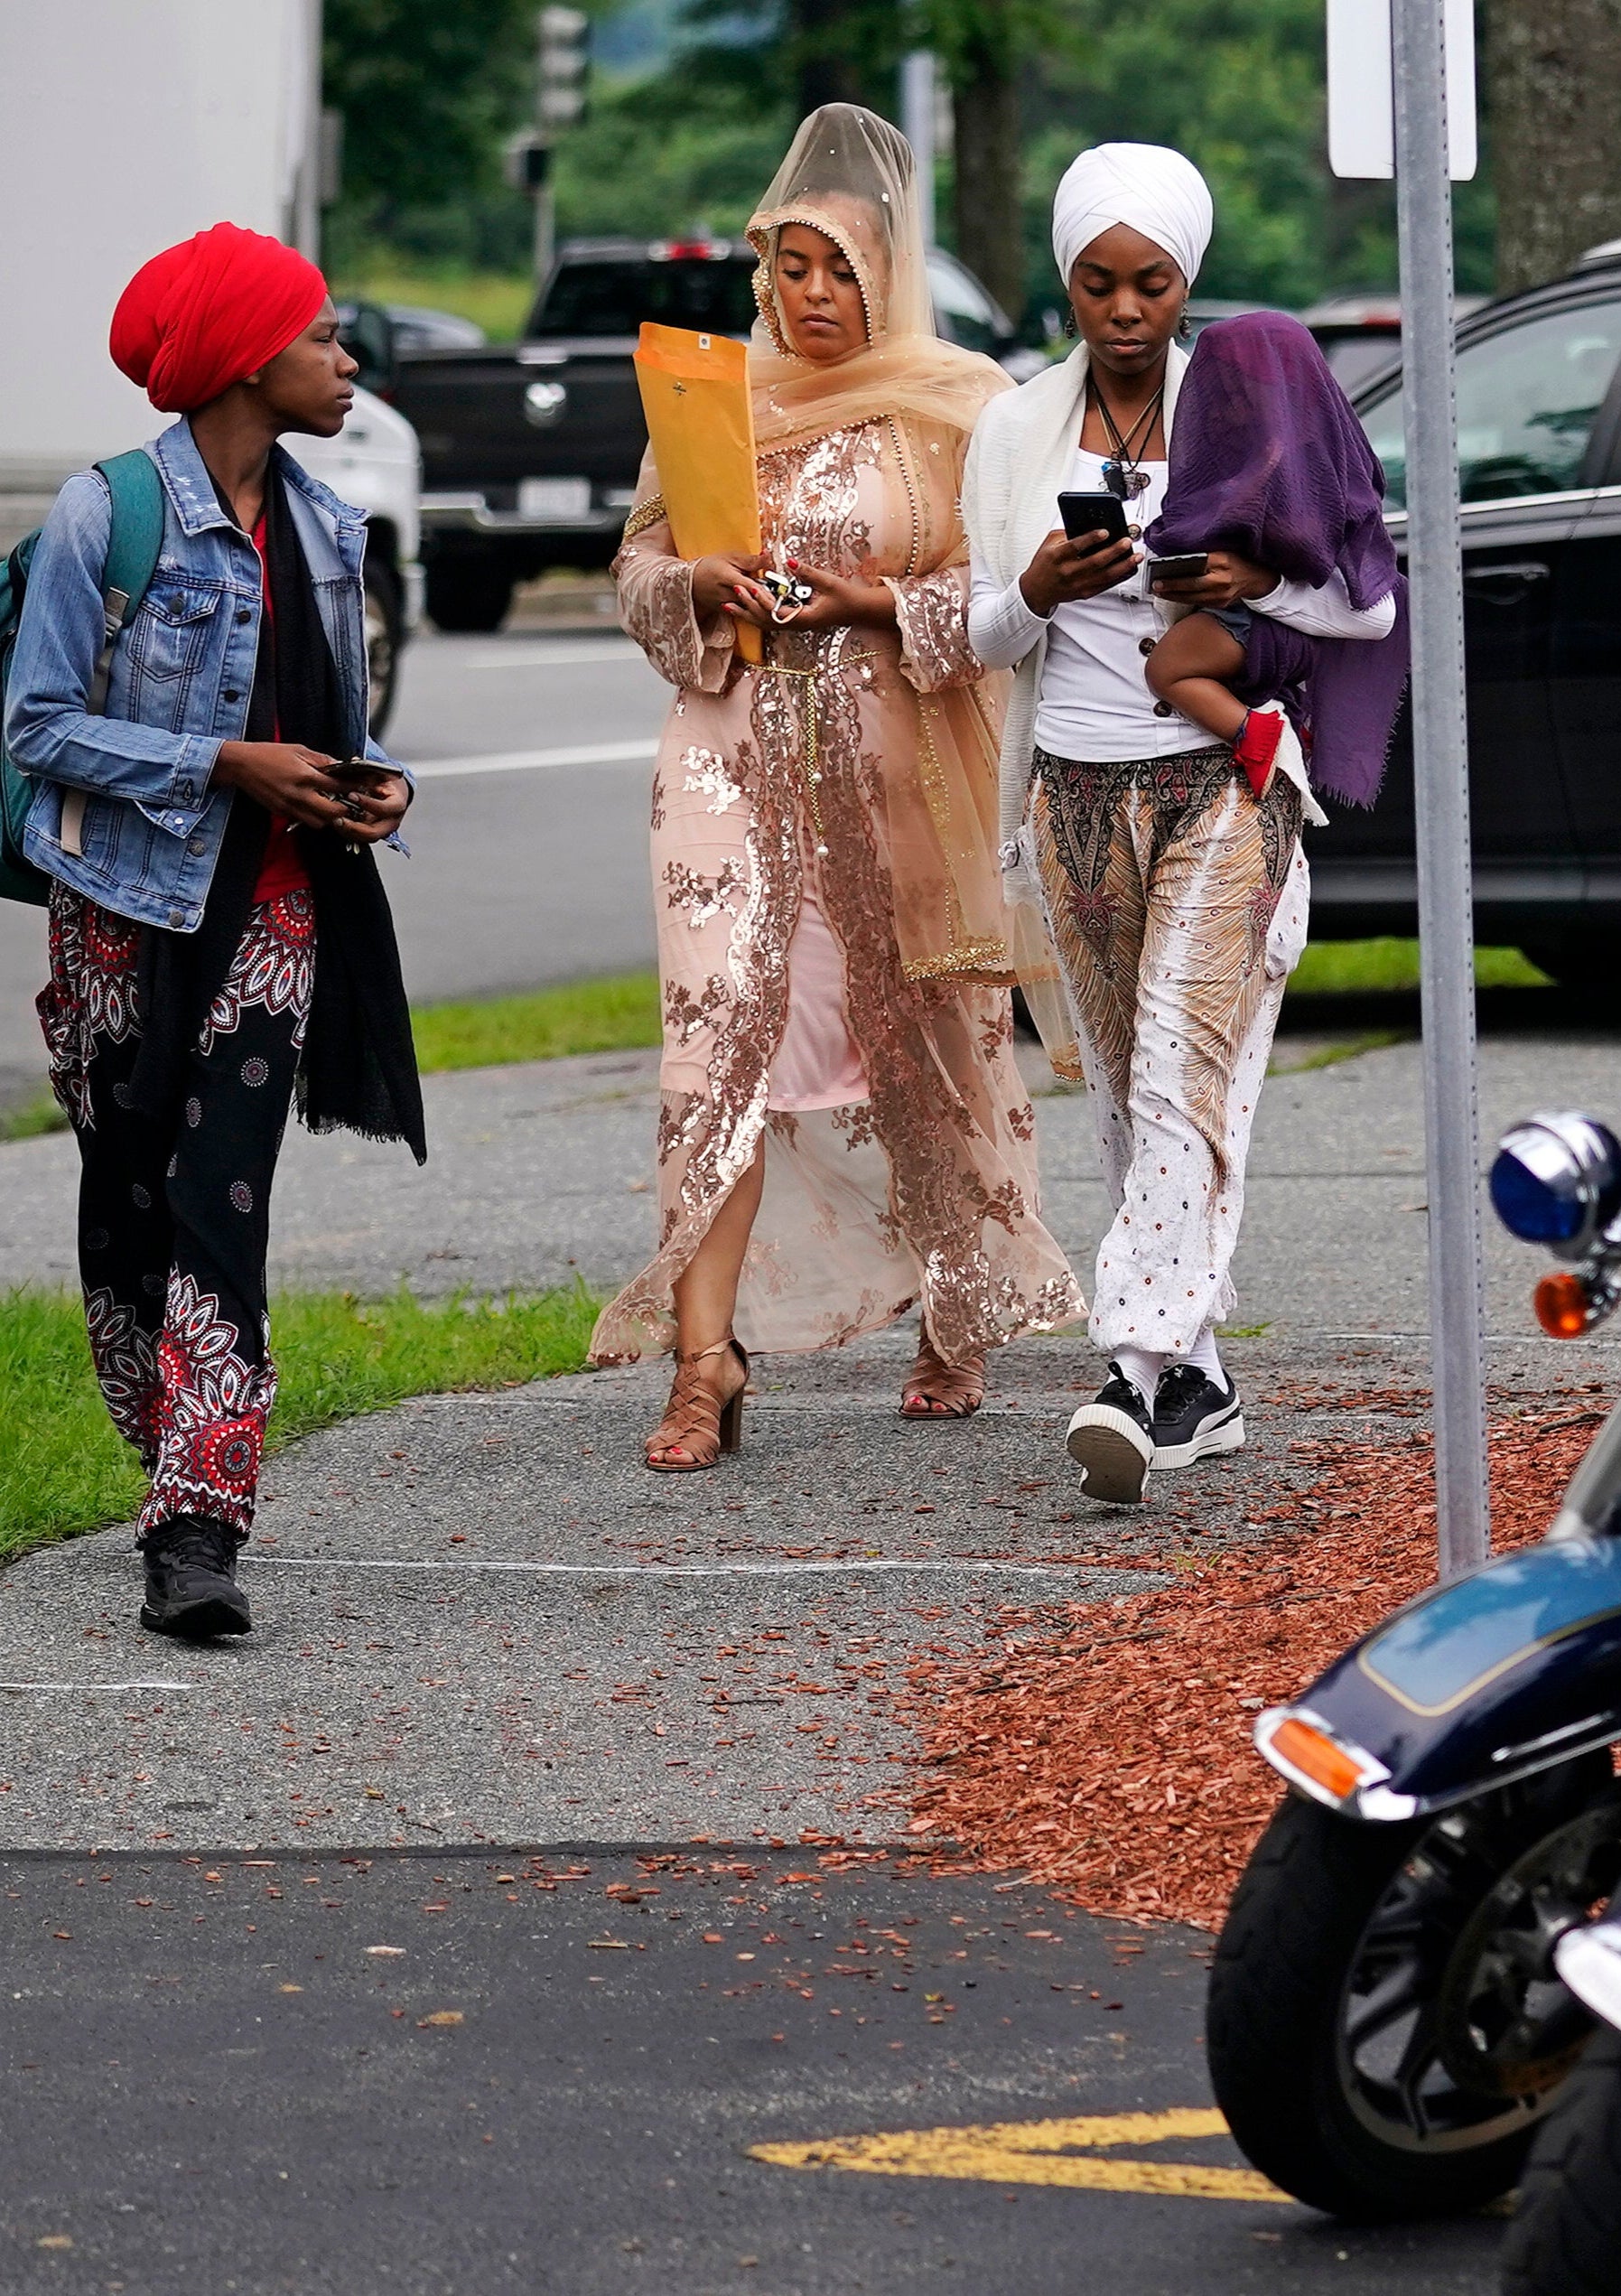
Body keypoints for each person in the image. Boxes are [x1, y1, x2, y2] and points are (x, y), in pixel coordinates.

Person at [590, 104, 1082, 1467]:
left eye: (841, 268)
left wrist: (873, 605)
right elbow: (633, 565)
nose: (813, 295)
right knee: (715, 1047)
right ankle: (704, 1364)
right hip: (727, 764)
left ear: (890, 271)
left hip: (896, 773)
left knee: (928, 1034)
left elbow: (1006, 600)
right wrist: (692, 580)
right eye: (791, 266)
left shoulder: (964, 404)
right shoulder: (712, 394)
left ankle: (959, 1300)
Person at [5, 223, 424, 1639]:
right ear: (248, 361)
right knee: (127, 1202)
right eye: (319, 334)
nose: (345, 355)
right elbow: (38, 725)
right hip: (118, 905)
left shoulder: (328, 525)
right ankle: (162, 1440)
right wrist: (221, 763)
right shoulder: (100, 515)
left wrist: (372, 788)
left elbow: (332, 726)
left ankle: (197, 1523)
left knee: (220, 1198)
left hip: (275, 905)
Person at [963, 145, 1398, 1507]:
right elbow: (975, 638)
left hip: (1222, 787)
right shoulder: (1016, 428)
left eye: (1152, 282)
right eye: (1096, 283)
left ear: (1188, 280)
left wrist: (1257, 578)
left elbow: (1368, 606)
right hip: (1072, 793)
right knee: (1119, 1096)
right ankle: (1199, 1378)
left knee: (1177, 1073)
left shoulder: (1251, 396)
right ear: (1065, 281)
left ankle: (1132, 1368)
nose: (1124, 309)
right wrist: (1036, 584)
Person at [1140, 311, 1411, 792]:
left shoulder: (1289, 468)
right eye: (1214, 389)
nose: (1222, 405)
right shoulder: (1268, 456)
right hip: (1257, 629)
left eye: (1236, 389)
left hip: (1258, 628)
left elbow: (1376, 614)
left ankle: (1259, 737)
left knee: (1167, 667)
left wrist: (1257, 579)